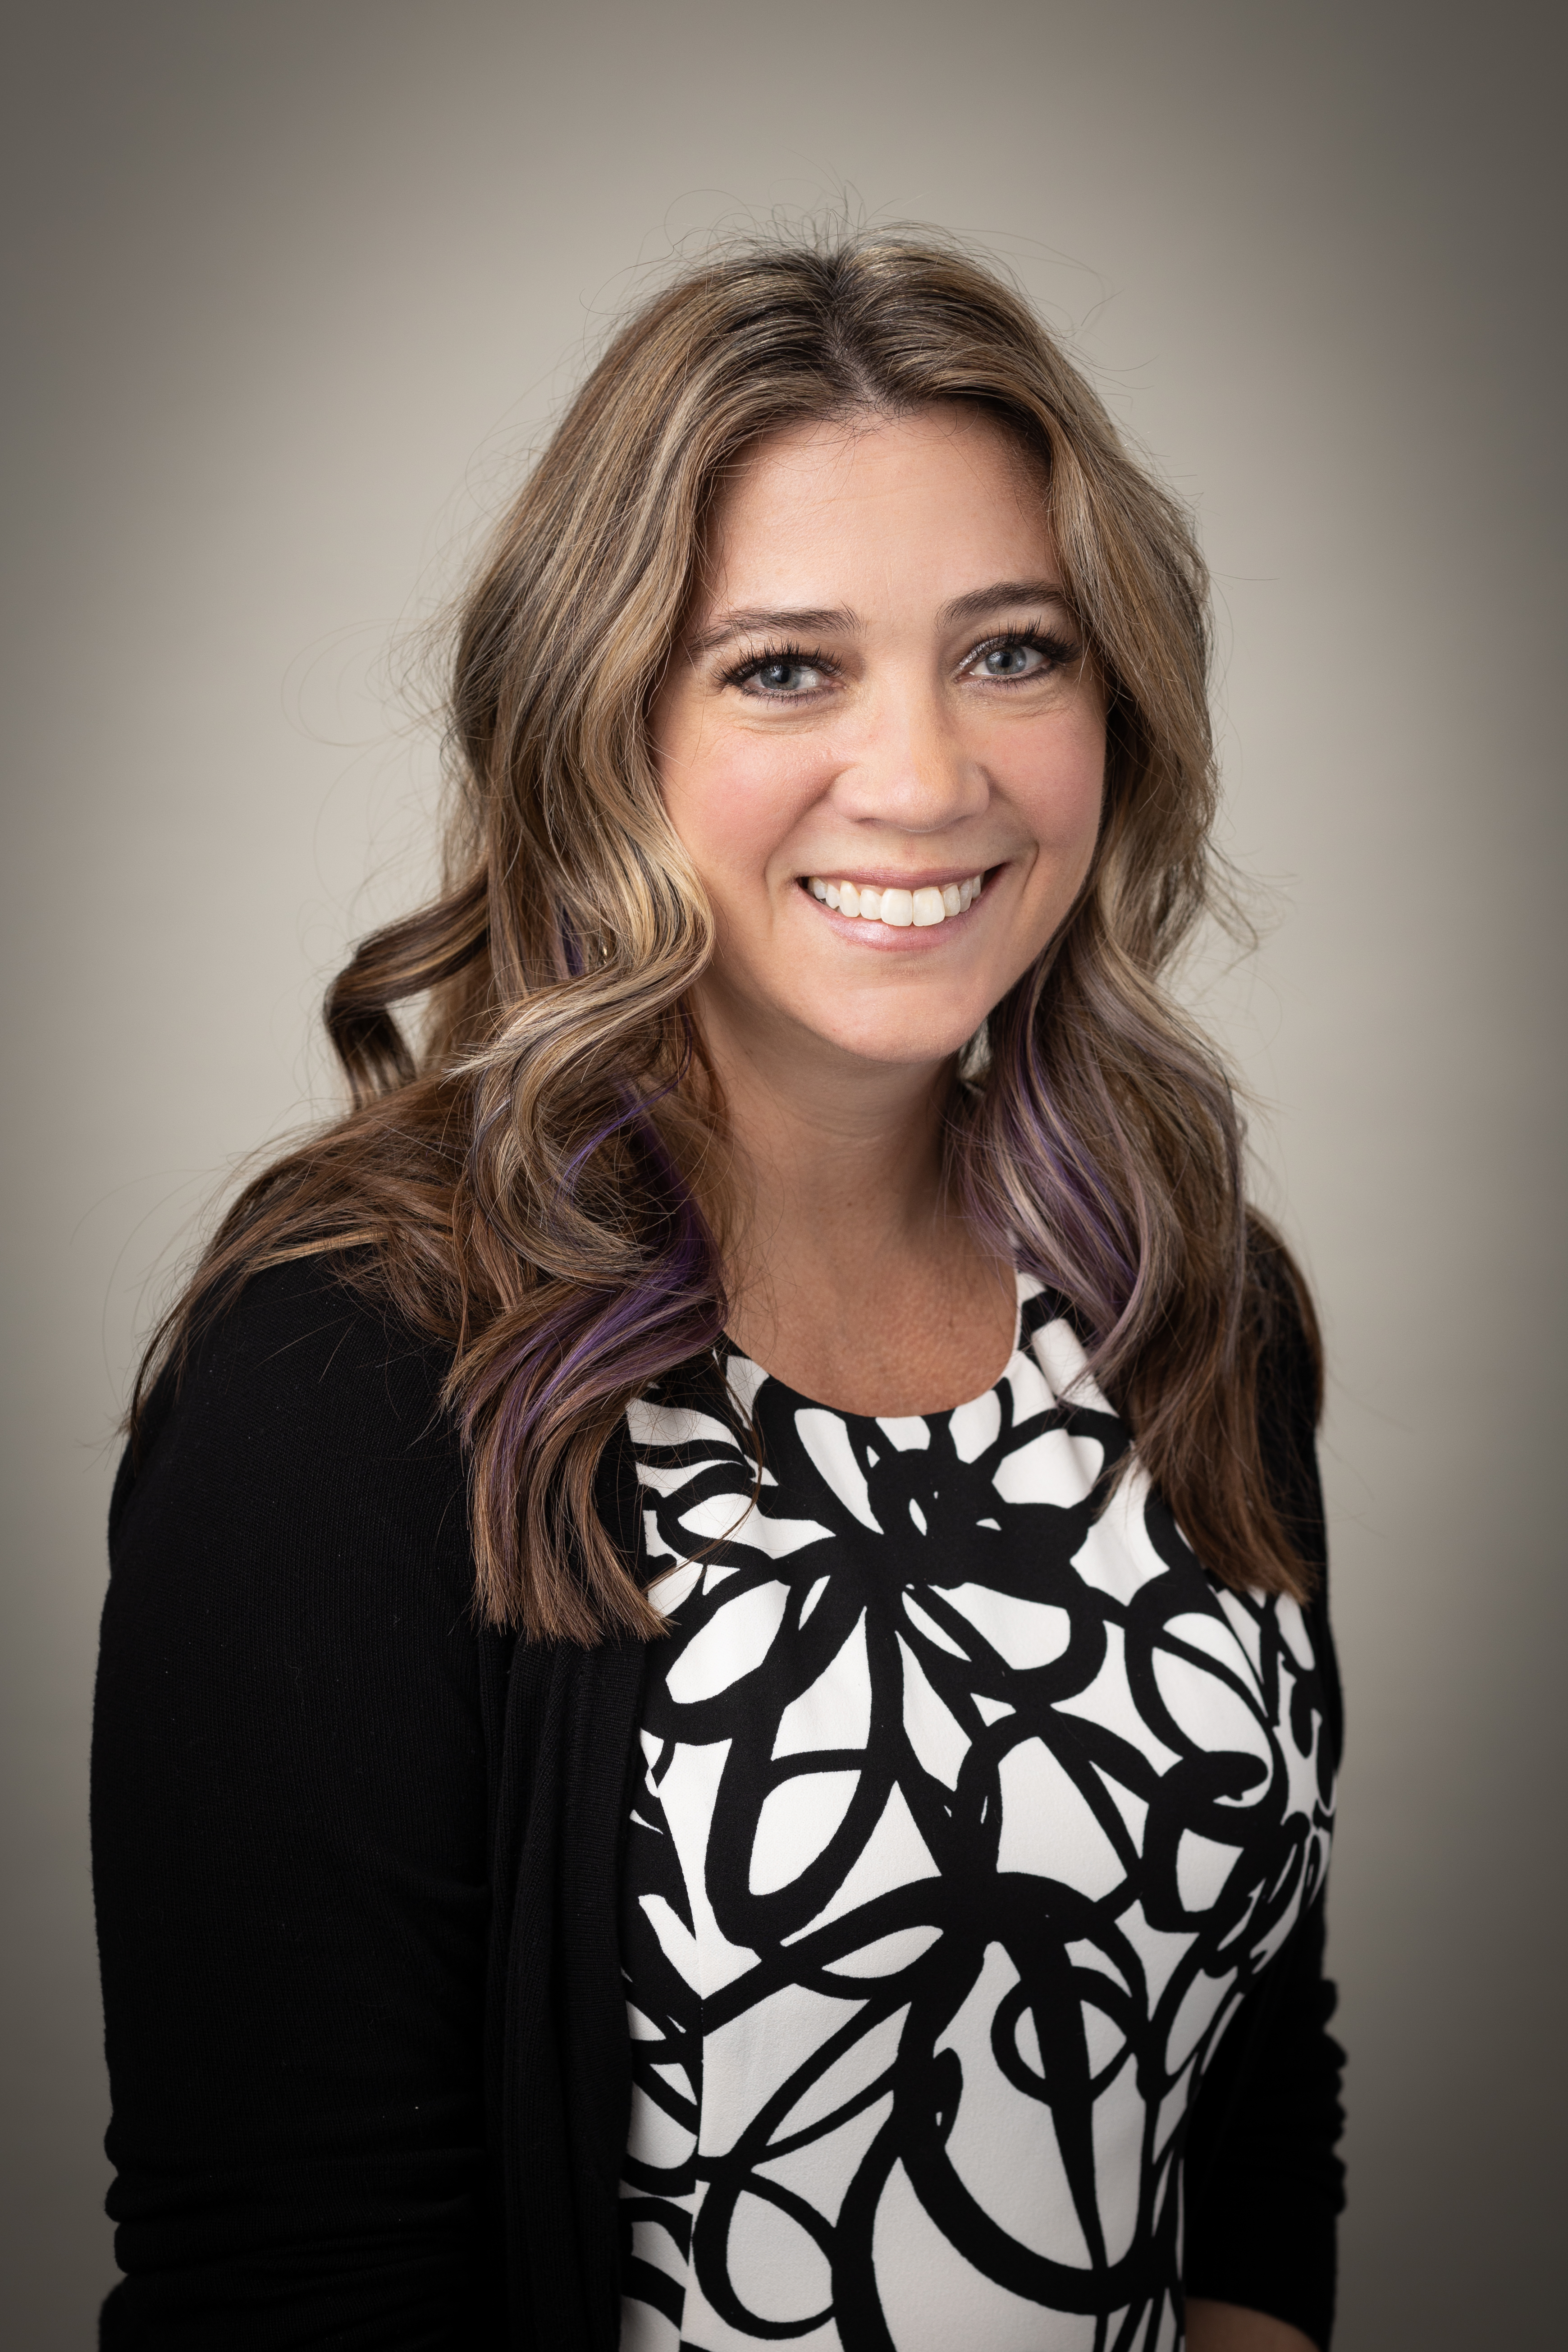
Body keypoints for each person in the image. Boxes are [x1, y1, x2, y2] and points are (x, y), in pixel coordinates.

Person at [91, 231, 1344, 2352]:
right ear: (605, 726)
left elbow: (1242, 2108)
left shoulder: (1185, 1304)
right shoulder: (352, 1372)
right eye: (785, 666)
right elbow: (289, 2283)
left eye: (1014, 650)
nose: (932, 776)